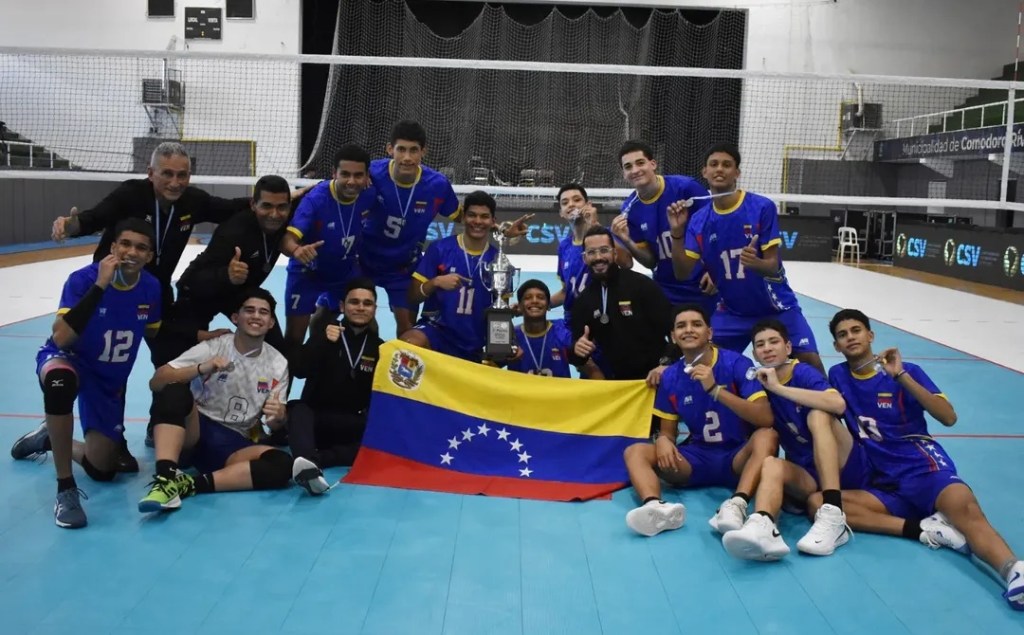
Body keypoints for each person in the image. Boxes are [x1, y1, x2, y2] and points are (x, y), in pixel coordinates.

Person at [48, 143, 250, 470]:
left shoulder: (192, 201)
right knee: (113, 365)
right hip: (111, 291)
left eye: (182, 174)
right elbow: (96, 216)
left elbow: (229, 207)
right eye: (166, 174)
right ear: (150, 173)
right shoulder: (131, 195)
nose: (175, 182)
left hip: (153, 292)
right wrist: (72, 227)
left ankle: (160, 426)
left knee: (170, 358)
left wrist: (270, 203)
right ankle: (108, 440)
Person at [818, 309, 1022, 611]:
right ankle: (926, 529)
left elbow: (948, 417)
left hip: (923, 468)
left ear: (871, 335)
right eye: (843, 335)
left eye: (856, 330)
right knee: (819, 504)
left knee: (966, 510)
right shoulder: (837, 375)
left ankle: (1013, 571)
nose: (851, 337)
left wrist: (900, 376)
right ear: (836, 345)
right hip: (882, 482)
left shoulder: (905, 370)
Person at [10, 218, 162, 528]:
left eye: (141, 247)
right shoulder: (83, 280)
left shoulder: (151, 288)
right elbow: (62, 338)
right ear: (112, 248)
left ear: (150, 256)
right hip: (67, 358)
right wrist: (100, 285)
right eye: (125, 244)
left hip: (108, 380)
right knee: (59, 384)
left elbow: (154, 335)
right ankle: (65, 489)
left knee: (103, 469)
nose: (132, 252)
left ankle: (50, 439)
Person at [145, 175, 294, 447]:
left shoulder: (285, 215)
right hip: (204, 291)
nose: (275, 214)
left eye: (282, 207)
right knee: (174, 351)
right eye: (267, 207)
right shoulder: (233, 233)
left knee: (278, 350)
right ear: (253, 205)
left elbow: (312, 196)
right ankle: (161, 420)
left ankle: (269, 419)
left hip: (240, 290)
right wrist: (225, 275)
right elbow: (190, 281)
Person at [140, 289, 318, 511]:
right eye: (249, 310)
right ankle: (165, 478)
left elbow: (273, 423)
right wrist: (200, 368)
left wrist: (279, 417)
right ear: (236, 317)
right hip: (194, 432)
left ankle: (188, 485)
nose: (256, 316)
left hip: (233, 442)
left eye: (263, 312)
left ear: (271, 322)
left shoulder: (278, 364)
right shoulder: (215, 346)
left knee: (281, 465)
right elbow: (157, 382)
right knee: (173, 391)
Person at [622, 304, 776, 538]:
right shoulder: (671, 376)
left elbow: (765, 418)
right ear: (673, 336)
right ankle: (655, 507)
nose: (688, 330)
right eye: (681, 326)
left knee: (768, 436)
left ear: (709, 333)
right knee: (635, 452)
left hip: (737, 456)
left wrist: (715, 390)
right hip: (697, 458)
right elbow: (668, 432)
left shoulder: (736, 363)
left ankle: (737, 504)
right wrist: (664, 440)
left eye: (696, 324)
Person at [669, 143, 824, 373]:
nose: (719, 169)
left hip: (776, 307)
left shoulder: (761, 207)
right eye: (714, 164)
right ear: (704, 172)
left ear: (737, 173)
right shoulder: (699, 220)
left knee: (810, 361)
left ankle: (833, 407)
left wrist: (756, 263)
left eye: (727, 165)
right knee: (702, 362)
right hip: (733, 311)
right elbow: (682, 273)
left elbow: (773, 267)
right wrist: (677, 233)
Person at [721, 319, 868, 560]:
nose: (767, 348)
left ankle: (833, 512)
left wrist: (779, 388)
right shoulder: (758, 385)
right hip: (808, 474)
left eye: (773, 342)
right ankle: (764, 527)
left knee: (819, 414)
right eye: (760, 345)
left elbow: (837, 404)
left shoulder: (802, 372)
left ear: (788, 348)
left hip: (846, 464)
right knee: (771, 464)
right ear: (755, 354)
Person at [359, 120, 462, 336]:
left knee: (407, 331)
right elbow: (338, 186)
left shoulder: (437, 185)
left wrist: (500, 227)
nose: (407, 157)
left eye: (413, 150)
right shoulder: (370, 173)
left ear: (423, 151)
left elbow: (464, 216)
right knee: (334, 315)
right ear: (390, 149)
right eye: (401, 149)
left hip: (402, 268)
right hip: (363, 262)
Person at [287, 277, 383, 481]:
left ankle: (313, 461)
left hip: (349, 423)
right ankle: (308, 464)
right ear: (342, 306)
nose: (360, 307)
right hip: (316, 419)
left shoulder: (380, 348)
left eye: (367, 303)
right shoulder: (325, 334)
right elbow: (299, 370)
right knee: (297, 409)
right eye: (354, 302)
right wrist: (322, 341)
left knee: (383, 436)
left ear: (375, 309)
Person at [282, 144, 376, 346]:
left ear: (368, 175)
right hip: (308, 272)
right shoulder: (315, 200)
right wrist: (297, 250)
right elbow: (287, 240)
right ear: (334, 173)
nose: (351, 181)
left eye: (358, 175)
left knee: (370, 329)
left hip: (344, 272)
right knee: (293, 339)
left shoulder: (370, 192)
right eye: (345, 174)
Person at [611, 141, 718, 317]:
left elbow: (715, 228)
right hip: (667, 290)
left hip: (704, 285)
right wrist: (627, 240)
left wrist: (715, 272)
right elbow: (651, 262)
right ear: (623, 174)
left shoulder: (685, 188)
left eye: (640, 162)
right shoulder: (630, 209)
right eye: (628, 166)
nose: (635, 170)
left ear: (653, 164)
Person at [400, 191, 499, 363]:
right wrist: (435, 282)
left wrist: (499, 347)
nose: (477, 221)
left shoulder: (499, 260)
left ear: (492, 221)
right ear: (463, 218)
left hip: (474, 342)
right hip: (437, 333)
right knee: (409, 344)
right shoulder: (439, 249)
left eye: (484, 217)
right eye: (472, 215)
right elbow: (413, 297)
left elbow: (500, 313)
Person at [567, 226, 673, 380]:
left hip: (656, 377)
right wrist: (577, 350)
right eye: (591, 252)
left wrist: (665, 364)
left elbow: (673, 330)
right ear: (584, 258)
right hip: (619, 384)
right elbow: (577, 356)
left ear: (614, 253)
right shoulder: (584, 301)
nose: (598, 257)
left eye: (604, 250)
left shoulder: (642, 285)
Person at [551, 183, 631, 322]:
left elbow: (627, 263)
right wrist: (530, 306)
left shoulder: (607, 235)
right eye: (565, 202)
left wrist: (594, 224)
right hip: (573, 320)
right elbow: (566, 292)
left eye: (577, 200)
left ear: (588, 205)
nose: (571, 204)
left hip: (604, 316)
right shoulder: (564, 246)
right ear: (561, 213)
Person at [505, 279, 600, 379]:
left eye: (540, 297)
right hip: (522, 395)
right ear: (519, 306)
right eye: (528, 298)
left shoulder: (561, 331)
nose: (534, 301)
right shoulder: (511, 336)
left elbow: (590, 367)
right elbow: (490, 366)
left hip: (559, 395)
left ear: (548, 305)